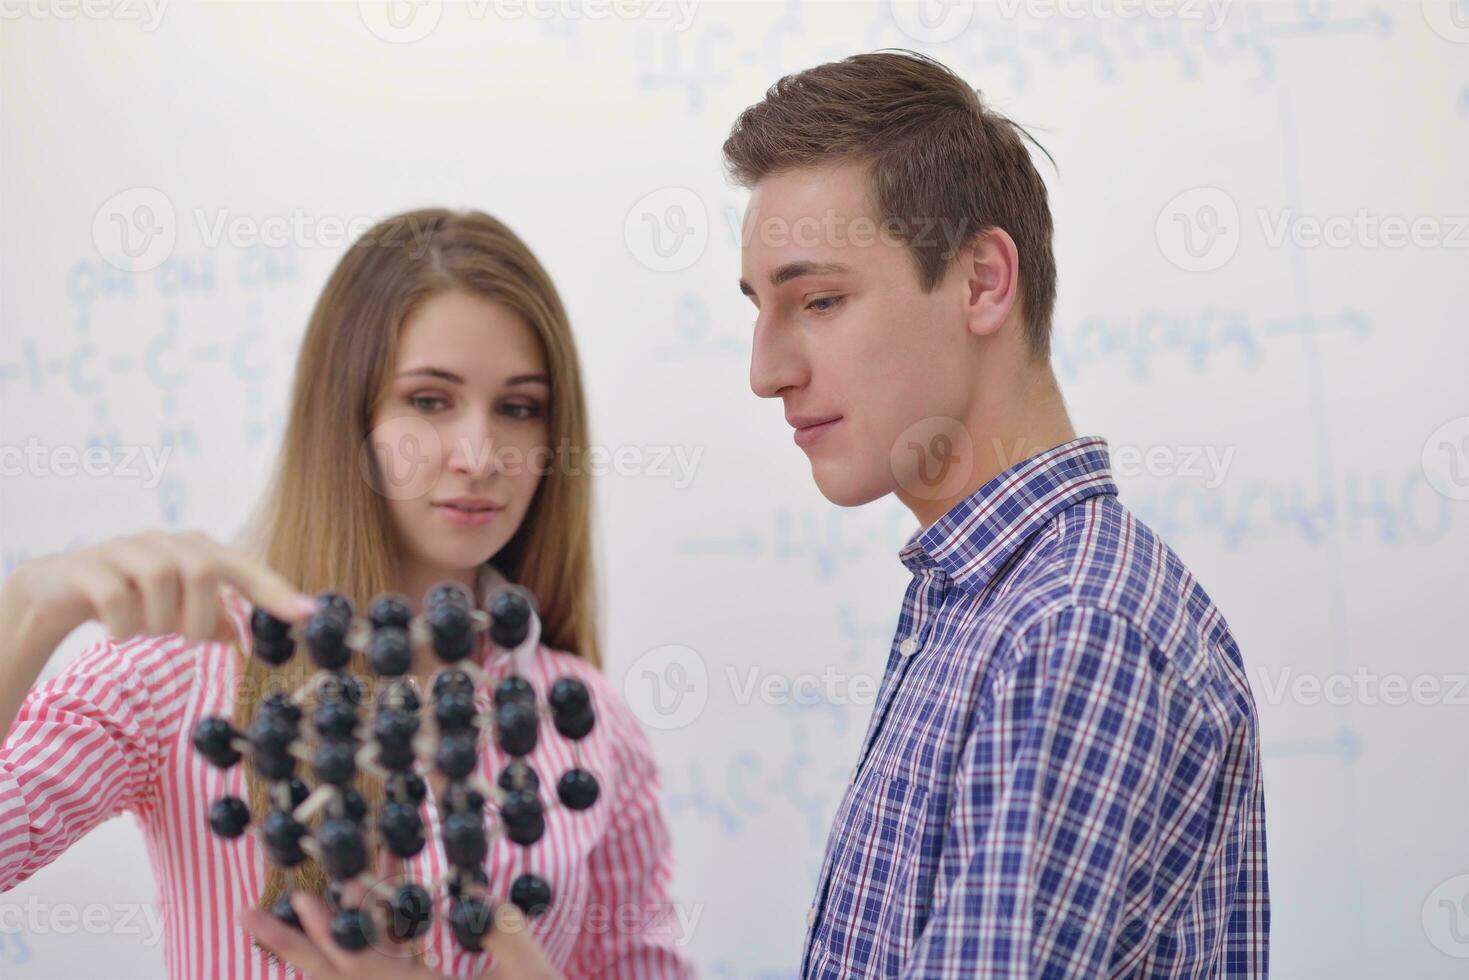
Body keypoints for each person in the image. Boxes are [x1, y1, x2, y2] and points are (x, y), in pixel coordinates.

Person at [0, 209, 695, 980]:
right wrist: (24, 618)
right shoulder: (181, 666)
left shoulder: (590, 721)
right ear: (347, 419)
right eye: (429, 400)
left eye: (519, 408)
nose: (478, 455)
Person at [723, 51, 1269, 978]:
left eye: (817, 300)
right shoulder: (986, 604)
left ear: (981, 281)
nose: (765, 371)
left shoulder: (1071, 631)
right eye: (759, 308)